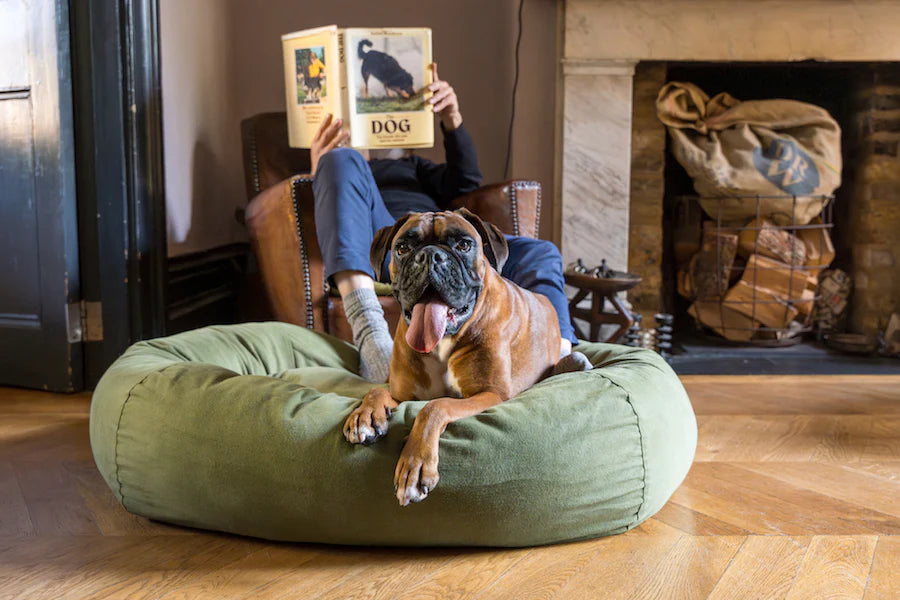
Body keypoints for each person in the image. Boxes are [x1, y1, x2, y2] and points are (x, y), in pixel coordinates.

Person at [311, 63, 578, 382]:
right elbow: (335, 214)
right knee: (342, 159)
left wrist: (452, 119)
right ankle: (372, 340)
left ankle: (560, 355)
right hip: (384, 243)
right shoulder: (337, 164)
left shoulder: (412, 167)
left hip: (438, 240)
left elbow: (466, 182)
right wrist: (319, 171)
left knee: (541, 251)